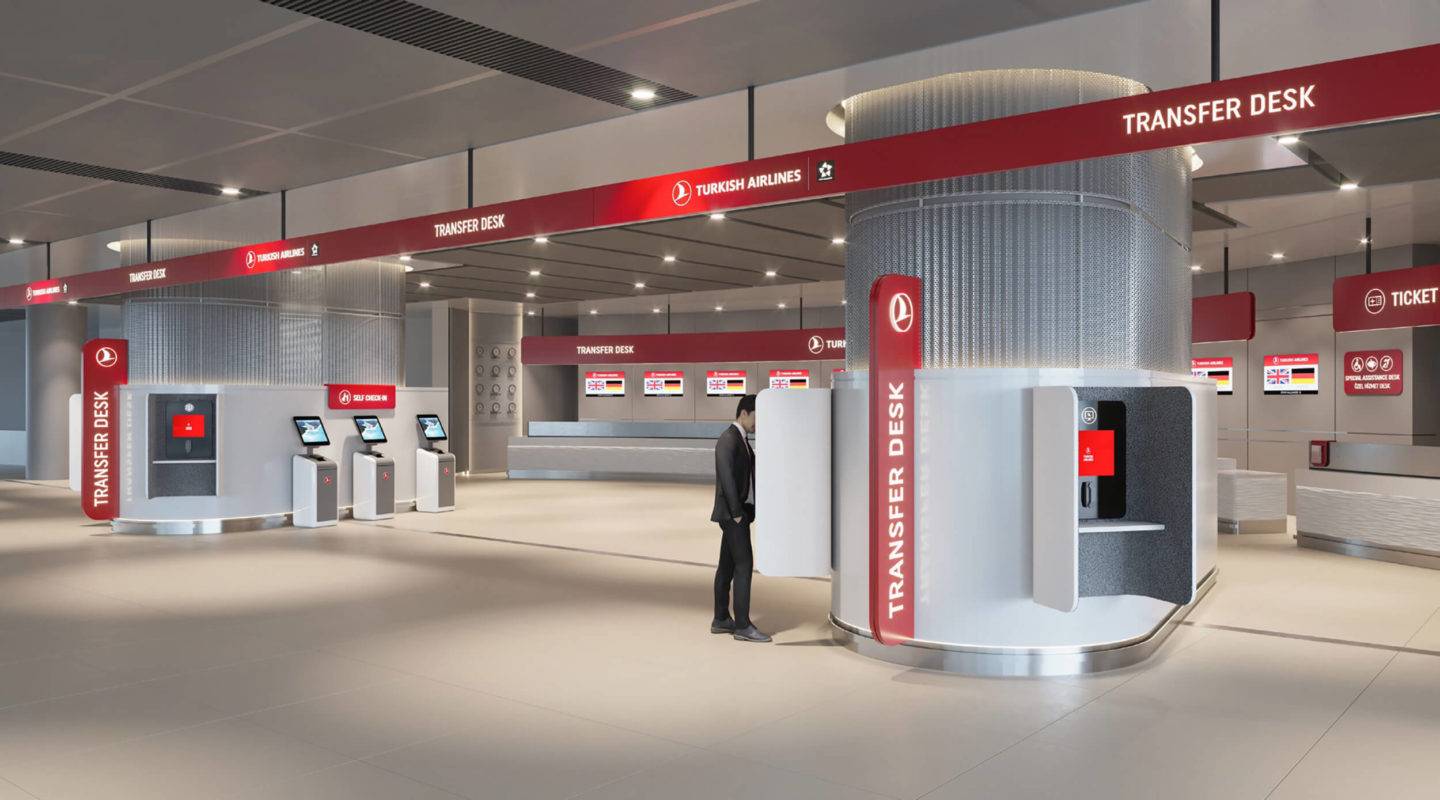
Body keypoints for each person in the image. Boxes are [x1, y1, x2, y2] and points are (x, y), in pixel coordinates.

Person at [711, 394, 770, 642]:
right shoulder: (728, 439)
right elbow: (726, 478)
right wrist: (736, 513)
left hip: (738, 512)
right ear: (744, 413)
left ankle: (722, 618)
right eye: (756, 417)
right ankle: (743, 626)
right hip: (732, 514)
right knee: (744, 565)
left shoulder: (742, 440)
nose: (758, 423)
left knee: (727, 565)